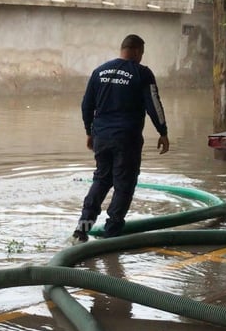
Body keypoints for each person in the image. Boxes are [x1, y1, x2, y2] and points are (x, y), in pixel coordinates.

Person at [72, 34, 170, 243]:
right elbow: (154, 103)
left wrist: (89, 132)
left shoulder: (99, 72)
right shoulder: (142, 73)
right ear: (136, 50)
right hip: (127, 138)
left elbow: (86, 105)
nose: (142, 57)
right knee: (124, 184)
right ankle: (111, 234)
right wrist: (163, 131)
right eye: (142, 53)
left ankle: (82, 229)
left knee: (101, 180)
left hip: (102, 137)